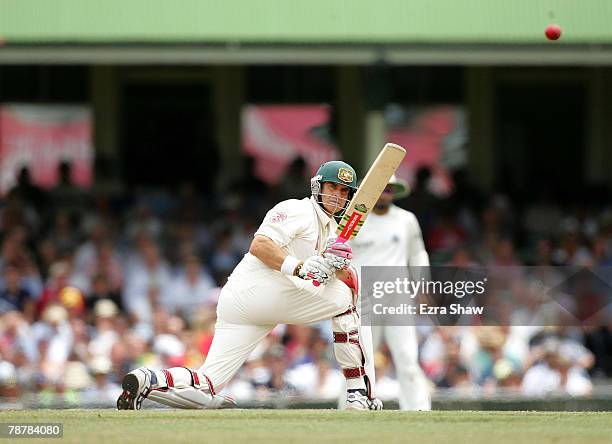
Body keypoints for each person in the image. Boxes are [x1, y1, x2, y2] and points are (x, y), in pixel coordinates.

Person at [117, 161, 383, 411]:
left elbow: (343, 279)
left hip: (241, 302)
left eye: (343, 190)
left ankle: (147, 379)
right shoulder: (297, 209)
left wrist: (337, 267)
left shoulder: (332, 231)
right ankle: (358, 393)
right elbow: (260, 245)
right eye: (332, 187)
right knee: (347, 301)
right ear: (317, 188)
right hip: (261, 290)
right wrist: (301, 267)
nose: (337, 195)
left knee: (207, 384)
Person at [351, 174, 432, 410]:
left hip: (398, 297)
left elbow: (418, 254)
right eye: (381, 187)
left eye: (390, 189)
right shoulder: (356, 219)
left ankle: (418, 412)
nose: (385, 193)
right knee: (359, 360)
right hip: (364, 299)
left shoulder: (406, 219)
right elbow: (342, 255)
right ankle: (353, 408)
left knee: (407, 358)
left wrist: (422, 286)